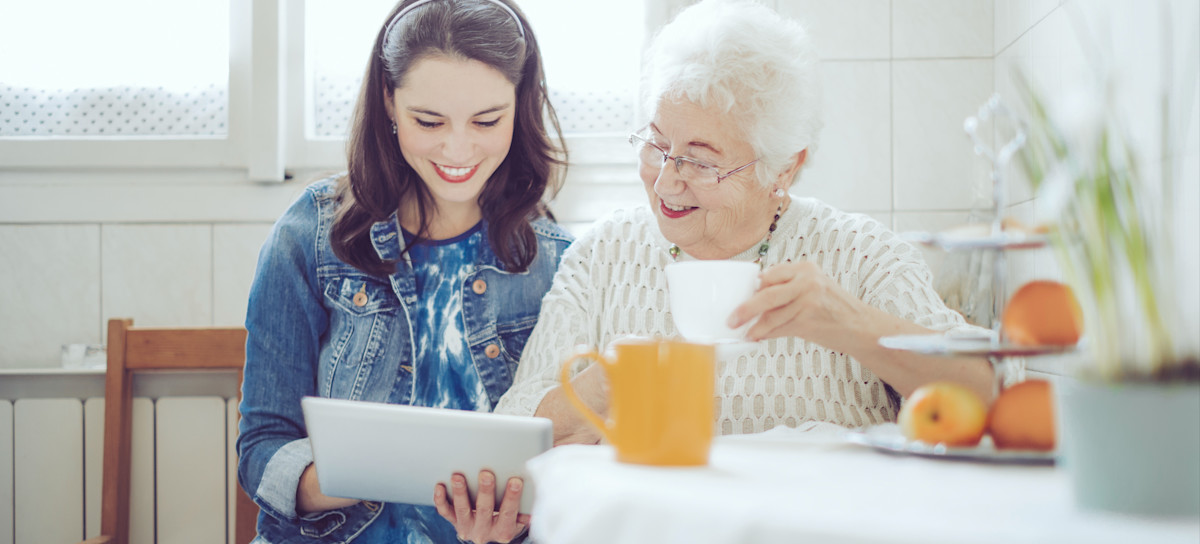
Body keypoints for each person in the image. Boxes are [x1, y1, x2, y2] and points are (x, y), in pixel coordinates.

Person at [494, 0, 994, 444]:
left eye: (703, 161)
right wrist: (601, 386)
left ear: (783, 168)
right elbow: (514, 433)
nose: (667, 182)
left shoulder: (860, 255)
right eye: (657, 145)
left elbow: (990, 398)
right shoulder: (603, 254)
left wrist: (851, 324)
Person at [236, 0, 570, 541]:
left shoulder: (556, 262)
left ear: (520, 104)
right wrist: (364, 472)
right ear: (389, 103)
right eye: (429, 120)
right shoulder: (311, 234)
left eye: (487, 120)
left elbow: (566, 473)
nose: (457, 148)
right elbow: (262, 449)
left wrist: (514, 522)